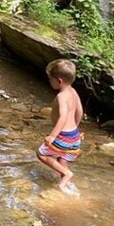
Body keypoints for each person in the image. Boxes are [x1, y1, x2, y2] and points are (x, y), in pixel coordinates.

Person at [37, 58, 84, 195]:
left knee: (41, 153)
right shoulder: (74, 92)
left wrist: (52, 136)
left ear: (59, 81)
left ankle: (66, 174)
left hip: (63, 135)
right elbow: (80, 111)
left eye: (50, 79)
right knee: (61, 158)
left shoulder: (62, 96)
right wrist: (76, 128)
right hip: (74, 135)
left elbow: (63, 117)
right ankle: (66, 184)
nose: (49, 82)